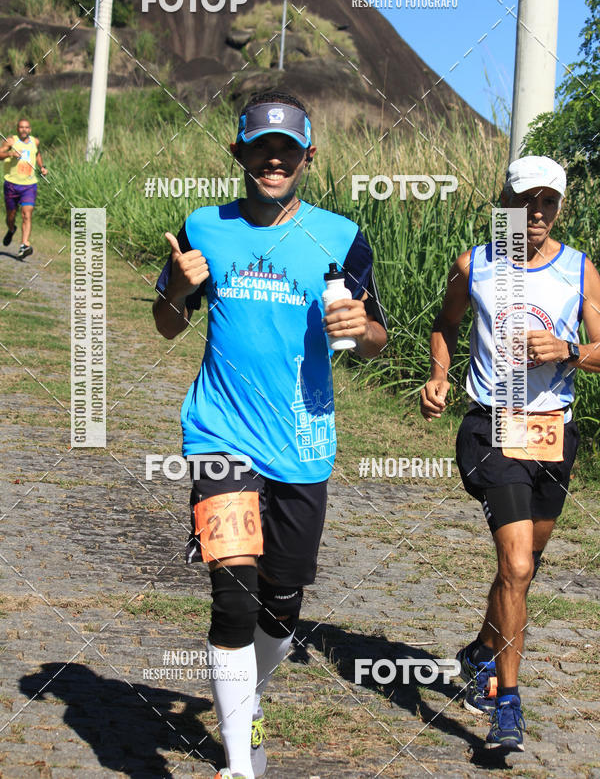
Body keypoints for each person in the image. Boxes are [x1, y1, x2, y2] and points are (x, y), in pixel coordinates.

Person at [153, 91, 387, 779]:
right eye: (261, 148)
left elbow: (376, 337)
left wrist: (363, 333)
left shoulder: (341, 237)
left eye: (287, 150)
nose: (273, 159)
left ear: (308, 158)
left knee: (281, 608)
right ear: (240, 154)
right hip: (219, 436)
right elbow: (169, 325)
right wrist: (173, 285)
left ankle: (247, 697)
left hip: (302, 445)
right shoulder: (203, 226)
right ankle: (240, 766)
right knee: (233, 600)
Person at [420, 155, 600, 754]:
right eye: (526, 201)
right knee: (518, 566)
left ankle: (479, 652)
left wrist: (569, 348)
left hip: (553, 433)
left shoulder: (580, 271)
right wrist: (440, 376)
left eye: (549, 202)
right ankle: (506, 706)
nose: (538, 213)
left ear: (560, 206)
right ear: (506, 203)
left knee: (521, 569)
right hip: (490, 427)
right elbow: (444, 324)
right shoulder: (476, 264)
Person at [1, 117, 47, 259]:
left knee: (27, 214)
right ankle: (11, 228)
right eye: (21, 127)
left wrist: (42, 167)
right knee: (11, 216)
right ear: (17, 129)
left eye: (26, 127)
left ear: (30, 129)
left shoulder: (35, 142)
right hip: (11, 184)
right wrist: (10, 154)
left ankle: (24, 245)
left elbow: (37, 153)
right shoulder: (11, 141)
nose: (24, 130)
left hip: (29, 185)